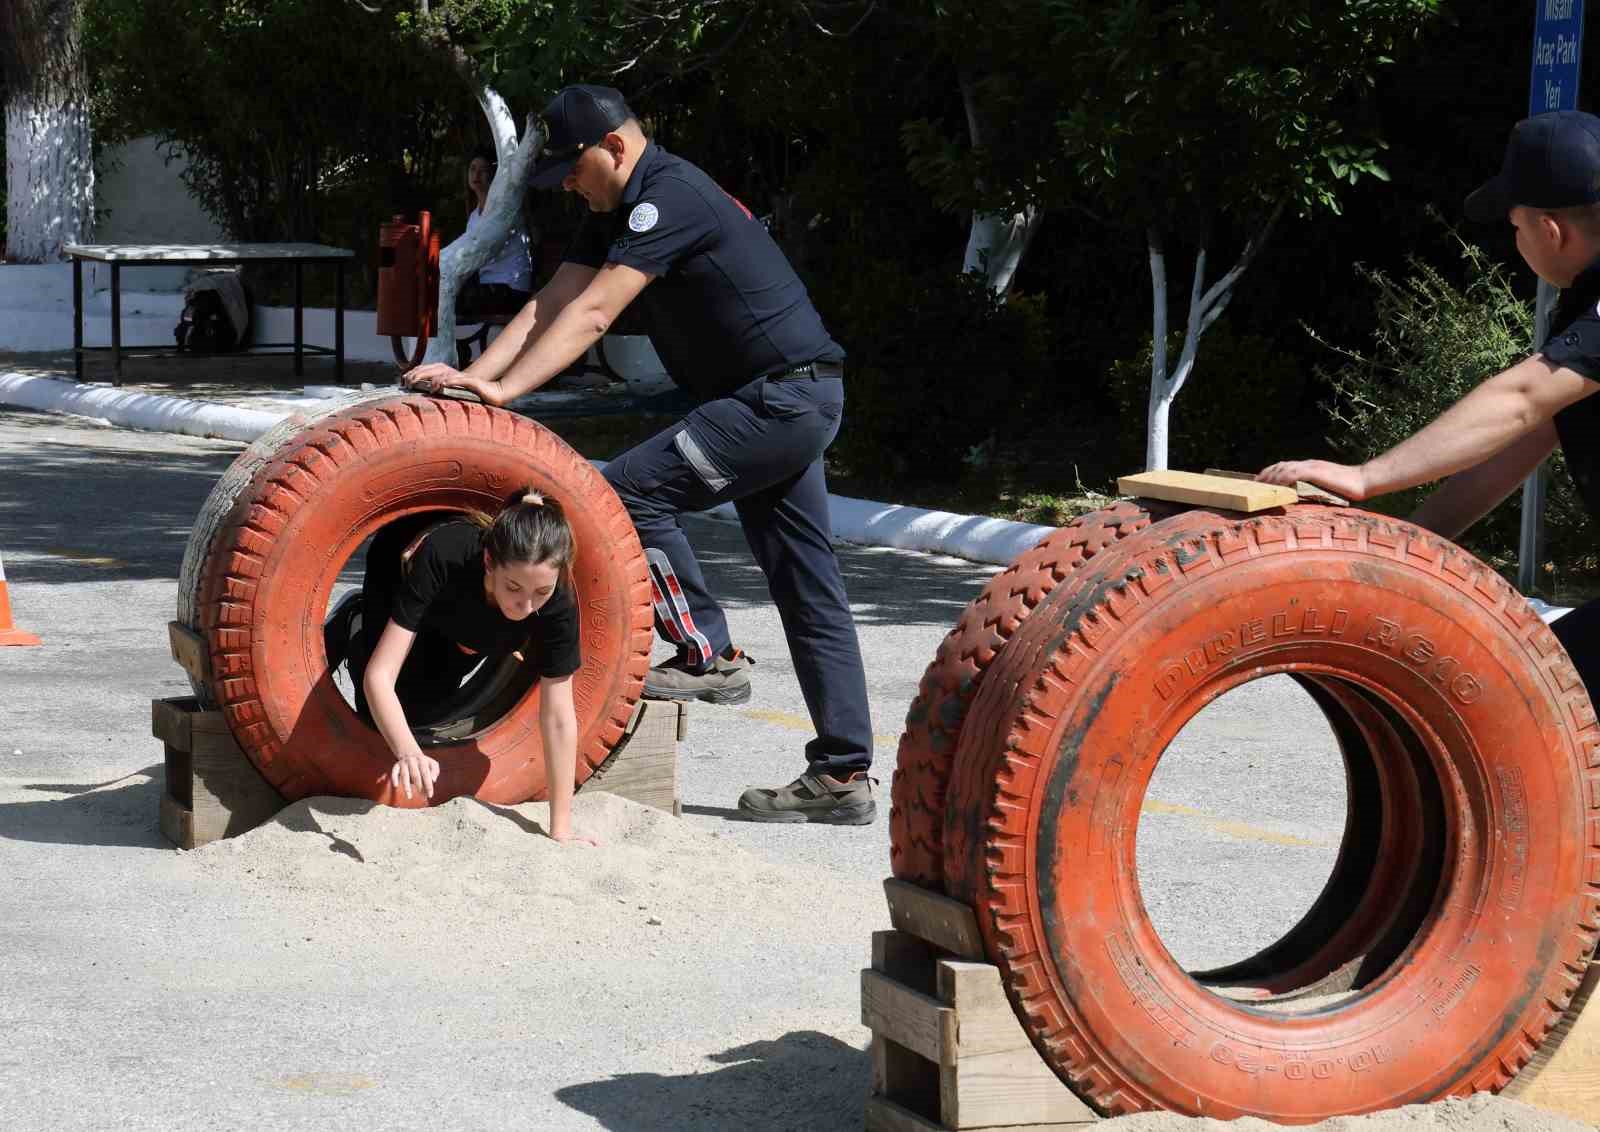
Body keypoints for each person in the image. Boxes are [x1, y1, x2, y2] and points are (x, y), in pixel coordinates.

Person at [404, 84, 876, 826]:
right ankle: (844, 773)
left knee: (622, 495)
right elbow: (553, 302)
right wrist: (478, 379)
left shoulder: (668, 198)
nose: (564, 182)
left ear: (616, 147)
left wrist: (504, 396)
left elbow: (594, 315)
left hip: (778, 399)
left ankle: (707, 654)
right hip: (777, 401)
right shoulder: (612, 207)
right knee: (808, 585)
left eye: (572, 165)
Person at [1258, 110, 1600, 696]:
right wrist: (1405, 551)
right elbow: (1520, 441)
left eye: (1514, 227)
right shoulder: (1582, 315)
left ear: (1549, 230)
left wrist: (1368, 476)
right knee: (1544, 697)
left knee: (1541, 709)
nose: (1514, 243)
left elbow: (1522, 398)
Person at [324, 489, 593, 843]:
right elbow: (380, 676)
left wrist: (561, 827)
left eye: (540, 591)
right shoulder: (448, 554)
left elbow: (558, 716)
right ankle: (355, 623)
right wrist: (407, 752)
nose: (527, 603)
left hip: (468, 627)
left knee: (425, 709)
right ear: (488, 561)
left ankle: (461, 644)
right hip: (403, 576)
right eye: (514, 587)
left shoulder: (556, 602)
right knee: (376, 712)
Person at [454, 148, 535, 324]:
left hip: (511, 290)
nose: (477, 174)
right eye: (473, 169)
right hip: (488, 289)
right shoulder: (474, 216)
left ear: (494, 174)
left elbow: (479, 251)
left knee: (447, 295)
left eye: (483, 170)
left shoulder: (506, 208)